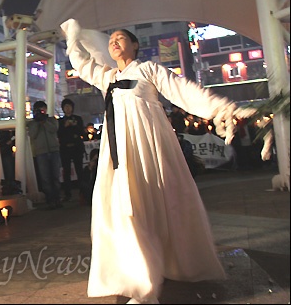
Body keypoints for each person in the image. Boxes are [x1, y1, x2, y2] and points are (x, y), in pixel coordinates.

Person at [61, 18, 252, 304]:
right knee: (128, 210)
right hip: (119, 155)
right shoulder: (107, 77)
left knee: (154, 204)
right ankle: (141, 282)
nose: (113, 42)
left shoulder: (149, 69)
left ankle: (158, 270)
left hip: (149, 149)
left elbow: (183, 91)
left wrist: (220, 108)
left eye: (120, 38)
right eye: (110, 39)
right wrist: (73, 36)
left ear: (135, 45)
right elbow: (80, 63)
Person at [27, 101, 63, 210]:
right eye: (39, 110)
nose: (41, 112)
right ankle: (50, 200)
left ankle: (57, 198)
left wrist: (44, 121)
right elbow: (32, 135)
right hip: (41, 153)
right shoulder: (32, 123)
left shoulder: (52, 120)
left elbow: (54, 129)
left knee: (55, 176)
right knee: (45, 178)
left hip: (54, 151)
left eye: (43, 110)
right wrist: (38, 122)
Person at [57, 98, 85, 202]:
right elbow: (58, 134)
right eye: (66, 107)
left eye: (69, 106)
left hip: (77, 147)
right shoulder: (60, 121)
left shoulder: (78, 119)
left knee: (79, 170)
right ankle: (67, 193)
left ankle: (83, 191)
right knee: (66, 171)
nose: (68, 109)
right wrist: (65, 126)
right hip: (65, 149)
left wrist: (75, 125)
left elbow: (82, 132)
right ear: (63, 109)